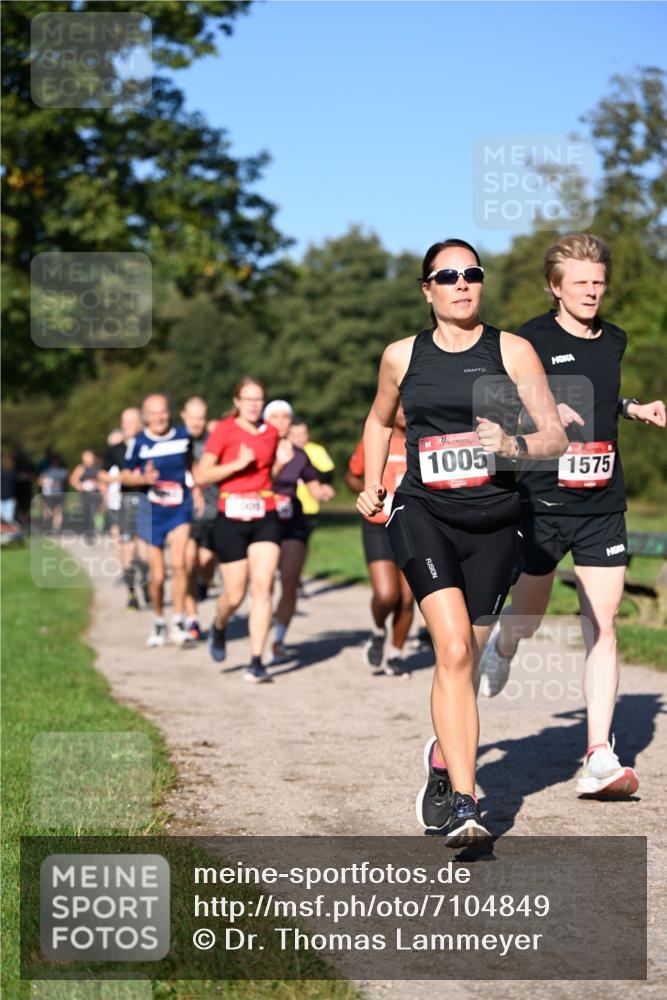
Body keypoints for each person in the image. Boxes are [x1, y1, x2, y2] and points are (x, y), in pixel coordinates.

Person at [356, 238, 566, 846]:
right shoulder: (401, 355)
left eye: (471, 273)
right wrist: (374, 483)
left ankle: (444, 762)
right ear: (428, 289)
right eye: (447, 276)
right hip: (424, 512)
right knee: (450, 650)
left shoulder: (513, 350)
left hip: (497, 520)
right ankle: (468, 805)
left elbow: (554, 436)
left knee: (466, 660)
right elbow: (377, 419)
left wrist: (513, 446)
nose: (461, 283)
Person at [479, 233, 666, 798]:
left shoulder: (615, 340)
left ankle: (598, 757)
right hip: (541, 503)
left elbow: (602, 395)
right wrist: (539, 412)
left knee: (602, 625)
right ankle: (504, 646)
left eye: (598, 282)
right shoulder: (527, 342)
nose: (591, 290)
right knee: (528, 618)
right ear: (555, 287)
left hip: (602, 502)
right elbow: (491, 402)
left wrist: (635, 409)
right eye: (580, 282)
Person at [196, 377, 282, 683]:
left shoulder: (272, 432)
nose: (253, 405)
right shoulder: (224, 431)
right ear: (236, 402)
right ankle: (219, 625)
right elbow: (201, 474)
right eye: (247, 399)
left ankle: (257, 660)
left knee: (263, 586)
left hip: (264, 514)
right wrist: (236, 464)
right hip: (230, 515)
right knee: (234, 595)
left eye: (258, 399)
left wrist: (281, 468)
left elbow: (269, 472)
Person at [121, 394, 197, 647]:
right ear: (145, 417)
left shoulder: (183, 436)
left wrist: (195, 490)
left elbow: (191, 466)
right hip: (152, 512)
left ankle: (178, 619)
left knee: (180, 563)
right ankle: (158, 619)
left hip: (179, 508)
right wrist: (142, 479)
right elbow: (124, 476)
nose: (159, 417)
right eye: (153, 413)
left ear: (169, 412)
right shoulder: (139, 443)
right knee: (159, 576)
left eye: (163, 411)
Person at [263, 400, 335, 664]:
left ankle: (278, 639)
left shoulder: (299, 454)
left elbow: (313, 485)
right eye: (275, 416)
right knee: (263, 584)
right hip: (261, 520)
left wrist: (323, 492)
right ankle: (259, 629)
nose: (281, 422)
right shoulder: (256, 449)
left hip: (292, 519)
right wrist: (278, 466)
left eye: (286, 417)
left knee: (290, 581)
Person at [345, 404, 414, 676]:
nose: (404, 414)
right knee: (387, 595)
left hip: (412, 525)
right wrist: (366, 490)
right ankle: (377, 630)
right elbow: (352, 474)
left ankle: (396, 654)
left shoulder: (423, 438)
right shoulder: (375, 438)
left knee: (408, 598)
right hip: (379, 523)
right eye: (399, 409)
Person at [100, 408, 151, 610]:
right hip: (124, 503)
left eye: (131, 421)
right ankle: (131, 593)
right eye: (124, 421)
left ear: (141, 423)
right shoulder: (115, 449)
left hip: (147, 502)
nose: (126, 425)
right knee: (127, 550)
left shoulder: (148, 444)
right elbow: (102, 475)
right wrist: (119, 478)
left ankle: (146, 580)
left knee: (145, 553)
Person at [181, 396, 218, 640]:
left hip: (213, 509)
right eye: (192, 417)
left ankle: (205, 582)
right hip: (183, 511)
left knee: (206, 561)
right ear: (184, 416)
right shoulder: (176, 441)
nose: (197, 422)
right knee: (187, 563)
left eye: (201, 417)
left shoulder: (214, 439)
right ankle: (192, 619)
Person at [289, 418, 335, 541]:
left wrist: (326, 485)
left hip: (309, 506)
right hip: (286, 505)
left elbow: (327, 472)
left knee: (300, 543)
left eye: (302, 434)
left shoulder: (316, 450)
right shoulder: (283, 450)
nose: (299, 438)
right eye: (295, 435)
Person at [69, 449, 103, 541]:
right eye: (86, 456)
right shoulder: (81, 468)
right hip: (86, 495)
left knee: (96, 513)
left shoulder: (98, 468)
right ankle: (88, 533)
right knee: (87, 514)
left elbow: (102, 481)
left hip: (96, 494)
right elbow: (73, 480)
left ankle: (96, 530)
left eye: (90, 456)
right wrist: (80, 486)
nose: (89, 458)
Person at [38, 453, 68, 533]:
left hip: (59, 494)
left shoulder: (63, 471)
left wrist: (55, 483)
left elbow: (65, 483)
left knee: (58, 511)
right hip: (48, 494)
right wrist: (47, 483)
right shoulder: (47, 471)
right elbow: (40, 481)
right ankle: (47, 527)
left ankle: (57, 529)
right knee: (47, 512)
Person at [1, 452, 17, 524]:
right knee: (7, 519)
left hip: (9, 498)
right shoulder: (13, 473)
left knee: (7, 519)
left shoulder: (13, 473)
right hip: (7, 498)